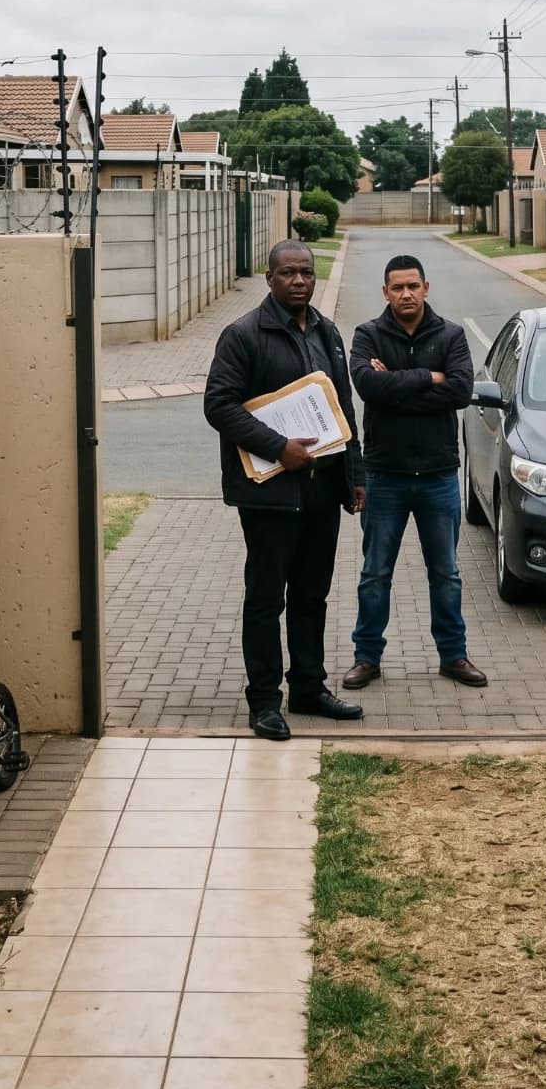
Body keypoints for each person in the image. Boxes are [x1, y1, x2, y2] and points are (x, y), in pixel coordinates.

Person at [203, 239, 366, 740]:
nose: (299, 281)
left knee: (312, 595)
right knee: (267, 597)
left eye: (306, 273)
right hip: (269, 493)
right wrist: (279, 448)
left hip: (322, 490)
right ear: (269, 278)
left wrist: (354, 475)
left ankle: (309, 688)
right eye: (288, 273)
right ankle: (264, 701)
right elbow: (219, 406)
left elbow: (342, 410)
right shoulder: (243, 335)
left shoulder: (328, 332)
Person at [343, 253, 487, 689]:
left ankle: (453, 656)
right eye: (397, 287)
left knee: (446, 573)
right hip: (384, 475)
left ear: (426, 287)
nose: (406, 294)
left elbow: (461, 391)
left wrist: (399, 385)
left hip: (439, 475)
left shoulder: (451, 334)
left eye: (413, 286)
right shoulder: (367, 334)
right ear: (385, 292)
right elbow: (368, 387)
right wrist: (431, 377)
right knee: (375, 574)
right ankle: (367, 658)